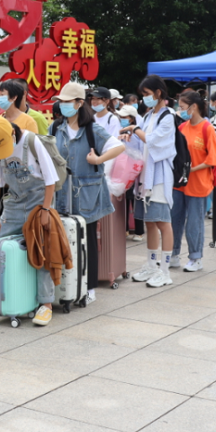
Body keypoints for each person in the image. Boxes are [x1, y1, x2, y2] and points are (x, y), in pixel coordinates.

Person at [52, 82, 124, 302]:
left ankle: (89, 287)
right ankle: (67, 286)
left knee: (88, 239)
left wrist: (98, 160)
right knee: (64, 238)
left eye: (67, 102)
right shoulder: (55, 128)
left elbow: (118, 146)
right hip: (62, 192)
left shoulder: (92, 130)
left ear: (79, 103)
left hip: (87, 194)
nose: (63, 105)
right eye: (61, 102)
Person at [0, 116, 60, 325]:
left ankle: (46, 304)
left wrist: (45, 209)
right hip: (14, 203)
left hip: (39, 200)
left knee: (42, 250)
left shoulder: (32, 141)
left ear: (12, 133)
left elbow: (50, 179)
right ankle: (9, 298)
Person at [123, 75, 176, 287]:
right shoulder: (148, 116)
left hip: (159, 178)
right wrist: (130, 136)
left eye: (146, 94)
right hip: (145, 178)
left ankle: (165, 271)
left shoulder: (168, 116)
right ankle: (152, 265)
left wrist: (134, 129)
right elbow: (141, 142)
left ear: (158, 93)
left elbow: (153, 141)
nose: (144, 98)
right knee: (150, 222)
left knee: (163, 223)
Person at [170, 91, 216, 272]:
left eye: (183, 107)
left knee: (194, 222)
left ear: (194, 107)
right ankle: (173, 255)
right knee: (175, 219)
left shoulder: (207, 128)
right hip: (179, 183)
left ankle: (195, 257)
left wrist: (191, 169)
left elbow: (212, 159)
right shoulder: (182, 127)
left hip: (198, 183)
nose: (180, 110)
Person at [117, 104, 145, 242]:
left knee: (136, 201)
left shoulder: (138, 134)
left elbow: (141, 151)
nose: (121, 119)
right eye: (120, 117)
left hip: (135, 170)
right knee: (124, 200)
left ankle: (139, 231)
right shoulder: (120, 132)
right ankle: (125, 229)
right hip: (123, 170)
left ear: (132, 119)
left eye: (124, 117)